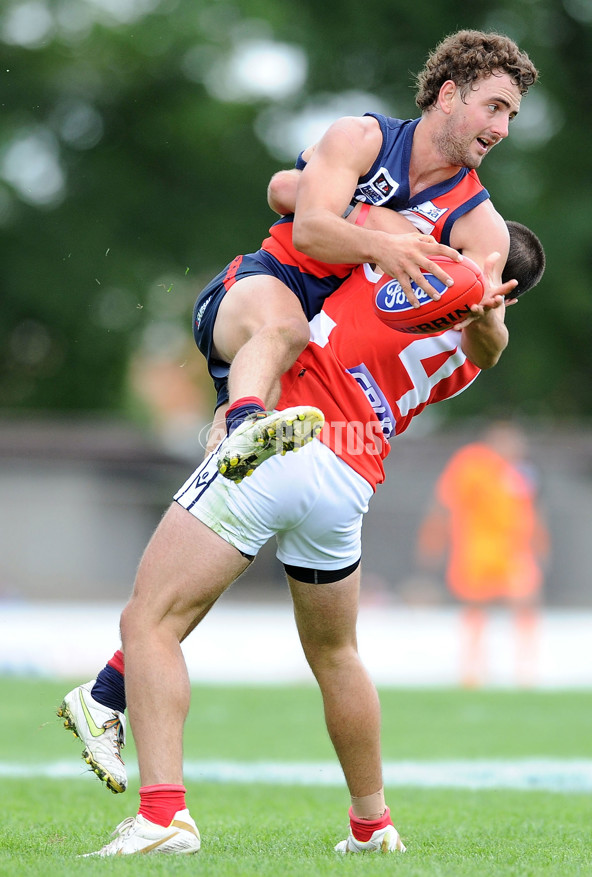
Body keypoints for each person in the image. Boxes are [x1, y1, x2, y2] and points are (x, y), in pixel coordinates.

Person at [55, 217, 545, 856]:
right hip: (349, 480)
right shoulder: (469, 345)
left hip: (289, 439)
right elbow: (487, 342)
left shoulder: (413, 269)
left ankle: (162, 816)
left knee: (149, 621)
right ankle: (373, 826)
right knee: (336, 655)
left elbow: (305, 213)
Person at [196, 29, 538, 480]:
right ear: (449, 94)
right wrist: (380, 233)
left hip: (313, 346)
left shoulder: (481, 224)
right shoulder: (364, 138)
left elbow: (488, 351)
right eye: (494, 107)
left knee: (230, 483)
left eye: (511, 114)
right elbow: (295, 211)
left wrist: (485, 317)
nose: (503, 129)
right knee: (285, 329)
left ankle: (230, 442)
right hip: (265, 283)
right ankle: (243, 430)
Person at [416, 421, 550, 687]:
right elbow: (444, 503)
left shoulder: (520, 471)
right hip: (476, 550)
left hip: (513, 551)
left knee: (525, 602)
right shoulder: (470, 464)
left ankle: (526, 671)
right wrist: (432, 541)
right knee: (476, 607)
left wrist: (540, 543)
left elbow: (532, 509)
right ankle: (473, 671)